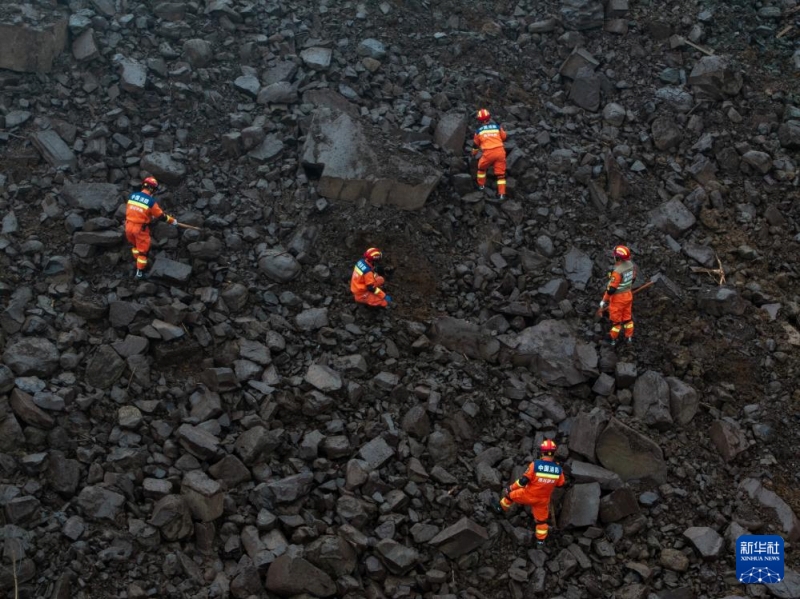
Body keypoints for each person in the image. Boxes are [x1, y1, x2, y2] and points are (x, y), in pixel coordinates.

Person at [492, 439, 566, 545]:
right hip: (543, 501)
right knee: (541, 521)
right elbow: (560, 484)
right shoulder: (558, 470)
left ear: (542, 452)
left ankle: (500, 508)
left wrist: (510, 488)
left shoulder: (535, 465)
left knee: (510, 496)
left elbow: (522, 482)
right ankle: (540, 542)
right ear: (553, 453)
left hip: (527, 495)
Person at [124, 177, 178, 278]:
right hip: (140, 228)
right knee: (143, 252)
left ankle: (135, 258)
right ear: (152, 189)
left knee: (134, 244)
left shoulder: (132, 196)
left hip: (128, 226)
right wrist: (172, 221)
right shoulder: (150, 202)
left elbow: (133, 210)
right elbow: (161, 216)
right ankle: (139, 273)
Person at [598, 245, 637, 346]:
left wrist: (604, 300)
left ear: (618, 257)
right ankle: (629, 337)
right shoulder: (630, 265)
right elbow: (633, 279)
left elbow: (611, 290)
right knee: (627, 318)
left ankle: (613, 339)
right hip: (628, 296)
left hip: (618, 299)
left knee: (616, 322)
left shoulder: (617, 272)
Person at [470, 108, 508, 200]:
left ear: (479, 120)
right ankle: (502, 194)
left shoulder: (479, 131)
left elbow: (476, 145)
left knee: (481, 168)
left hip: (488, 154)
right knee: (500, 174)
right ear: (489, 117)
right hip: (500, 152)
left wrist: (473, 154)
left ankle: (481, 185)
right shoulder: (497, 127)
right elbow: (504, 137)